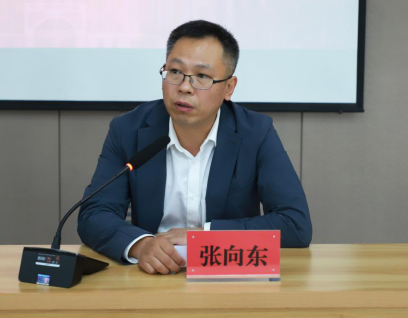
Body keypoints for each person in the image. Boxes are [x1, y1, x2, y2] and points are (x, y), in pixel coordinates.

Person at [78, 20, 312, 275]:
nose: (184, 87)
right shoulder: (128, 130)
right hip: (154, 275)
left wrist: (205, 236)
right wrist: (140, 245)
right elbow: (94, 214)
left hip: (227, 273)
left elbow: (295, 224)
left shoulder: (255, 133)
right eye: (175, 71)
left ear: (229, 88)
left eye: (202, 76)